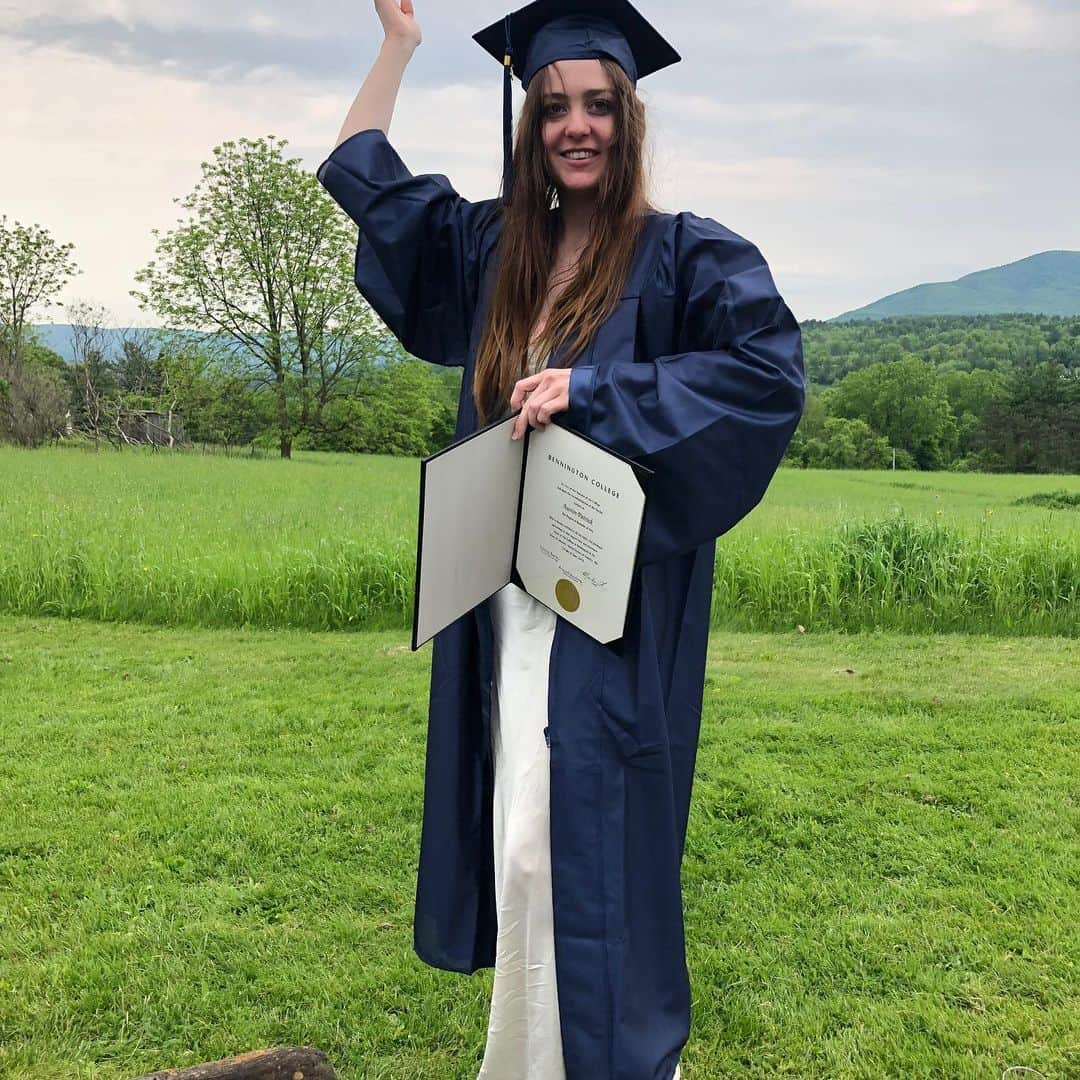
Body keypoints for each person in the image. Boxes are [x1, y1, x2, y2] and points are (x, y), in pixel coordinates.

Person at [315, 1, 806, 1077]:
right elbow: (365, 172)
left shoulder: (686, 258)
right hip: (507, 598)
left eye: (597, 105)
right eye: (551, 109)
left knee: (571, 839)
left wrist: (597, 391)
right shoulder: (495, 249)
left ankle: (612, 1061)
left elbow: (766, 379)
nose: (575, 126)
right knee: (520, 841)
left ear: (630, 119)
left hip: (611, 605)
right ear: (528, 123)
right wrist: (397, 48)